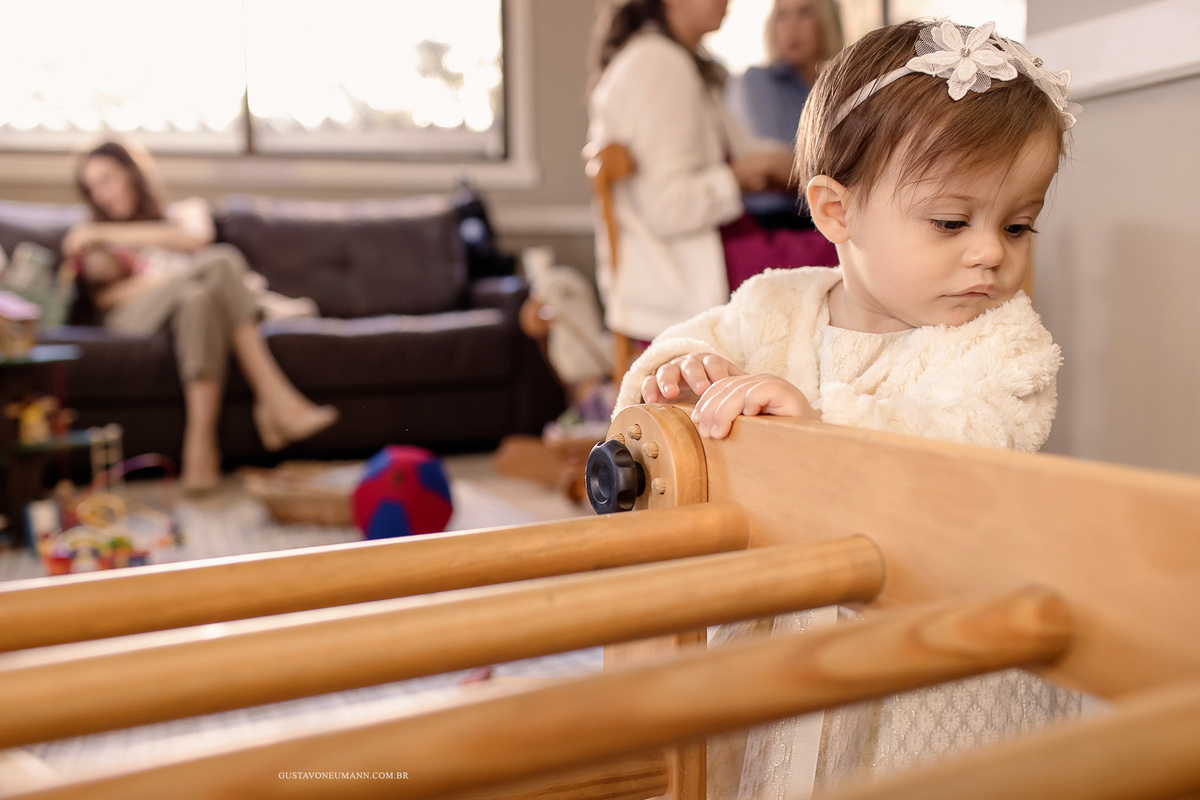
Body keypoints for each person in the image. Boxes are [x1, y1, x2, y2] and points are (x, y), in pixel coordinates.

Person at [615, 19, 1083, 797]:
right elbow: (661, 365)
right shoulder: (774, 305)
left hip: (922, 656)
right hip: (776, 637)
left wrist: (818, 442)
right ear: (836, 212)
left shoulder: (1008, 349)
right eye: (950, 222)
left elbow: (955, 464)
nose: (992, 252)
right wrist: (681, 373)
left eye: (1018, 224)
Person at [64, 140, 337, 492]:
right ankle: (274, 400)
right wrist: (163, 279)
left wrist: (105, 233)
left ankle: (200, 446)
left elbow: (195, 240)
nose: (100, 195)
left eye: (107, 179)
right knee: (221, 261)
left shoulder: (182, 212)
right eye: (92, 188)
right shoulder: (95, 241)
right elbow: (106, 299)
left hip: (186, 313)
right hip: (133, 321)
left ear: (132, 173)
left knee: (199, 299)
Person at [587, 0, 838, 353]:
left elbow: (745, 153)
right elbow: (671, 208)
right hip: (698, 277)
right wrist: (742, 174)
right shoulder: (657, 64)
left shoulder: (678, 61)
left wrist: (770, 164)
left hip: (716, 257)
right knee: (853, 251)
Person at [726, 0, 844, 147]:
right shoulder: (756, 82)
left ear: (825, 20)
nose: (792, 26)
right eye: (782, 15)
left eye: (804, 13)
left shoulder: (839, 89)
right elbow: (775, 158)